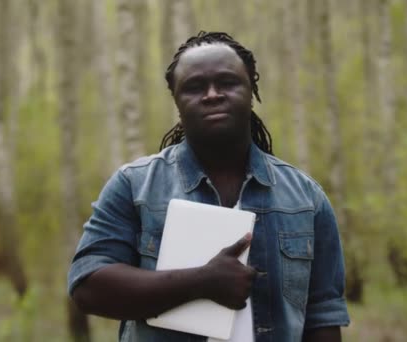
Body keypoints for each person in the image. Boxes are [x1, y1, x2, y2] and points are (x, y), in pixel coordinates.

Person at [68, 31, 350, 341]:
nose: (212, 94)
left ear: (252, 90)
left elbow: (322, 316)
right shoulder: (134, 186)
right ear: (176, 100)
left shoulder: (306, 198)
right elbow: (87, 285)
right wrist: (201, 282)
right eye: (194, 87)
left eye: (227, 83)